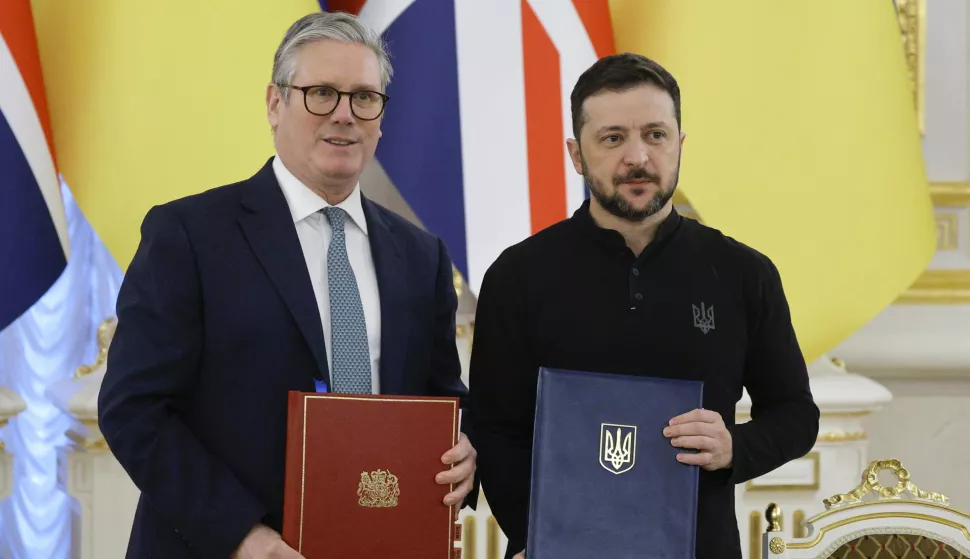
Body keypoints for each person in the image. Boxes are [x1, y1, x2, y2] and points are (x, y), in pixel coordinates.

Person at [98, 11, 477, 559]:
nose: (344, 115)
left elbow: (441, 401)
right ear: (276, 104)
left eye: (364, 97)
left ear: (381, 118)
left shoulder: (422, 255)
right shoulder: (189, 234)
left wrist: (466, 450)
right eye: (322, 93)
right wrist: (242, 536)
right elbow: (134, 409)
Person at [468, 53, 819, 559]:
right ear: (576, 154)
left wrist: (734, 448)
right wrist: (536, 537)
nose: (638, 157)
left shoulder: (745, 273)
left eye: (655, 134)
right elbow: (495, 429)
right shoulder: (517, 276)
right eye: (612, 138)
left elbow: (795, 413)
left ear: (680, 144)